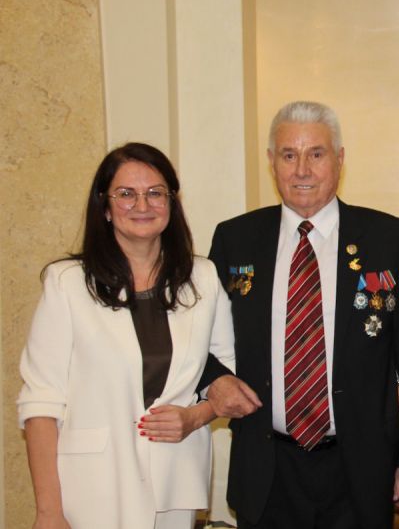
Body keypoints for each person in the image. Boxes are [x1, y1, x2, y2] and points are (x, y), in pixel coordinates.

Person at [199, 100, 399, 529]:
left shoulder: (388, 237)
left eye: (316, 154)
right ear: (271, 162)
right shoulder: (235, 239)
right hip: (267, 468)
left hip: (360, 470)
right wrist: (214, 380)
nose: (302, 170)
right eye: (289, 155)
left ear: (340, 159)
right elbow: (197, 339)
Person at [18, 143, 237, 529]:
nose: (142, 204)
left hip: (174, 480)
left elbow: (225, 375)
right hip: (92, 487)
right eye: (126, 194)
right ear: (105, 207)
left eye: (155, 193)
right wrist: (49, 512)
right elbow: (41, 403)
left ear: (171, 203)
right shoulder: (67, 284)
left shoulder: (202, 278)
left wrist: (195, 417)